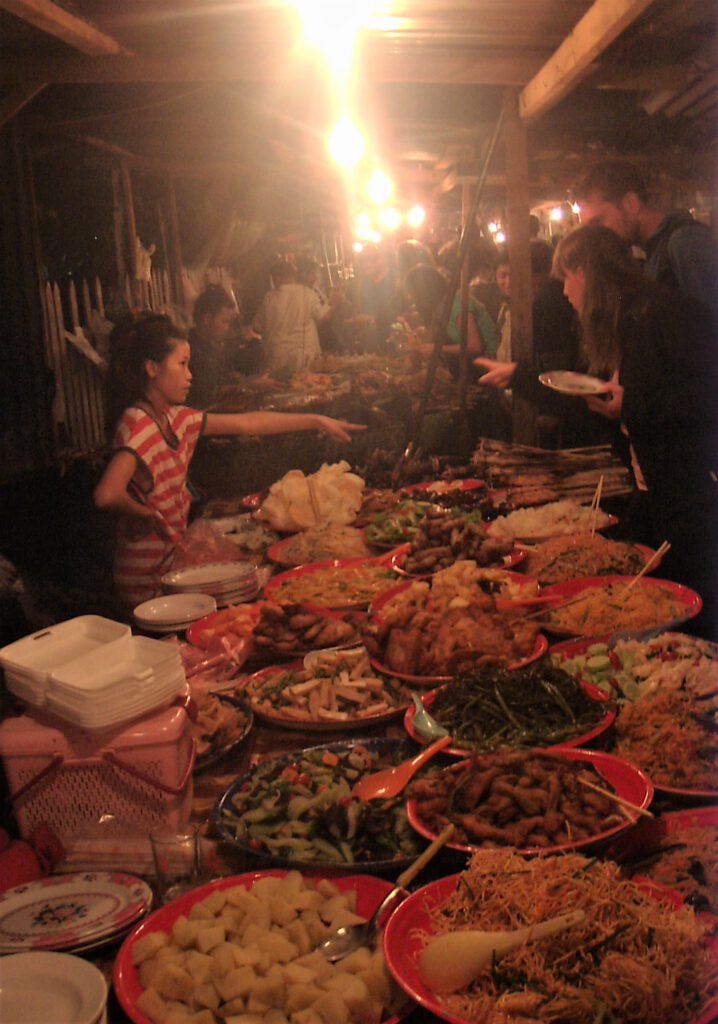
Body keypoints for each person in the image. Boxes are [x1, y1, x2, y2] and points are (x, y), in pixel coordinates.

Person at [94, 314, 366, 611]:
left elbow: (248, 422)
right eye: (182, 364)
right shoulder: (138, 423)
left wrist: (315, 420)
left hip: (169, 565)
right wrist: (146, 514)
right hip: (143, 577)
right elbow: (107, 494)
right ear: (151, 368)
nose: (190, 375)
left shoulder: (177, 419)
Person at [552, 224, 718, 639]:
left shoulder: (666, 313)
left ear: (585, 271)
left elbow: (706, 393)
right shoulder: (625, 320)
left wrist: (632, 405)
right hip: (654, 493)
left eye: (566, 278)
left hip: (693, 498)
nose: (564, 292)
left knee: (694, 615)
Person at [575, 159, 718, 321]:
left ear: (631, 204)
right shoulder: (652, 250)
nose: (595, 235)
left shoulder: (685, 241)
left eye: (598, 222)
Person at [402, 262, 498, 370]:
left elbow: (475, 346)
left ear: (426, 292)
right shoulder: (442, 307)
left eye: (416, 296)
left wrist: (436, 349)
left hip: (494, 364)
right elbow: (432, 336)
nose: (416, 302)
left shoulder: (456, 304)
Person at [252, 260, 337, 373]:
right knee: (310, 386)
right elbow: (324, 316)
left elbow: (257, 327)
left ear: (277, 278)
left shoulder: (268, 298)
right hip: (305, 357)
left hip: (277, 358)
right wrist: (335, 302)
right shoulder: (307, 293)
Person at [186, 285, 237, 409]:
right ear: (207, 319)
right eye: (224, 321)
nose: (227, 328)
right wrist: (252, 385)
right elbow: (208, 395)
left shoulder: (211, 345)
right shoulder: (189, 350)